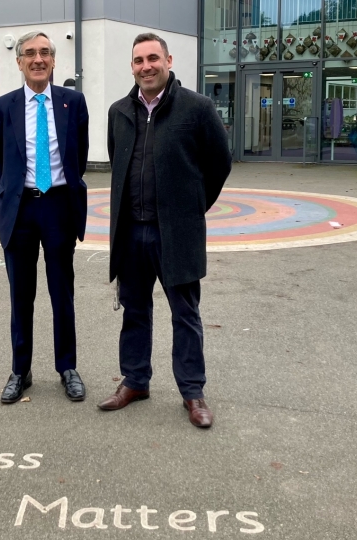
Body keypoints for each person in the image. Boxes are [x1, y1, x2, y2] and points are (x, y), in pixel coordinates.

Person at [98, 33, 232, 428]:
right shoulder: (119, 111)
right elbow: (117, 160)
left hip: (176, 233)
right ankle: (135, 381)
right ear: (132, 66)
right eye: (139, 60)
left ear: (169, 60)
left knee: (185, 315)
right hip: (132, 232)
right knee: (134, 311)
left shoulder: (197, 108)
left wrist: (193, 206)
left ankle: (192, 391)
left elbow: (219, 162)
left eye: (153, 58)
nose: (146, 66)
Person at [0, 31, 89, 404]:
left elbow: (79, 155)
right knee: (21, 295)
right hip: (22, 210)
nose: (38, 59)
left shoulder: (73, 103)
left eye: (44, 52)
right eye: (30, 53)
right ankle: (20, 370)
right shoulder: (3, 107)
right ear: (19, 62)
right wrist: (18, 191)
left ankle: (68, 368)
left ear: (53, 60)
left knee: (62, 292)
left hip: (60, 206)